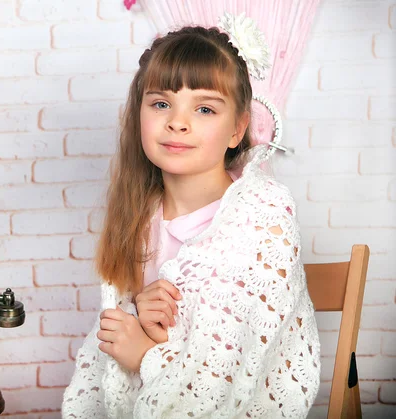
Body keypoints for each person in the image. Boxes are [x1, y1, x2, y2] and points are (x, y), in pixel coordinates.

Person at [62, 13, 321, 419]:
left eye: (204, 109)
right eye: (161, 103)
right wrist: (140, 319)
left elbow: (227, 385)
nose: (177, 122)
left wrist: (146, 355)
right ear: (139, 115)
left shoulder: (262, 219)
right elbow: (114, 350)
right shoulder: (139, 219)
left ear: (238, 129)